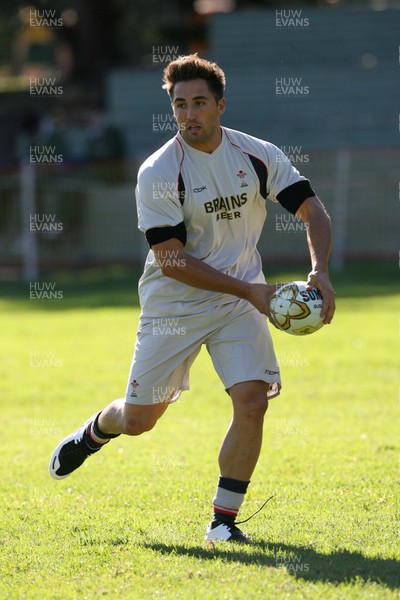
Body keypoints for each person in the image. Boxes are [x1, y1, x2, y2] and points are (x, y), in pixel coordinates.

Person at [49, 54, 335, 543]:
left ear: (220, 105)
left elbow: (312, 209)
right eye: (180, 104)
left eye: (199, 102)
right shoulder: (159, 171)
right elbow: (172, 260)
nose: (188, 114)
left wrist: (320, 271)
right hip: (174, 306)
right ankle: (98, 428)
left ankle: (223, 523)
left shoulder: (256, 155)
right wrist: (252, 290)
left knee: (252, 401)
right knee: (140, 421)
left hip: (240, 302)